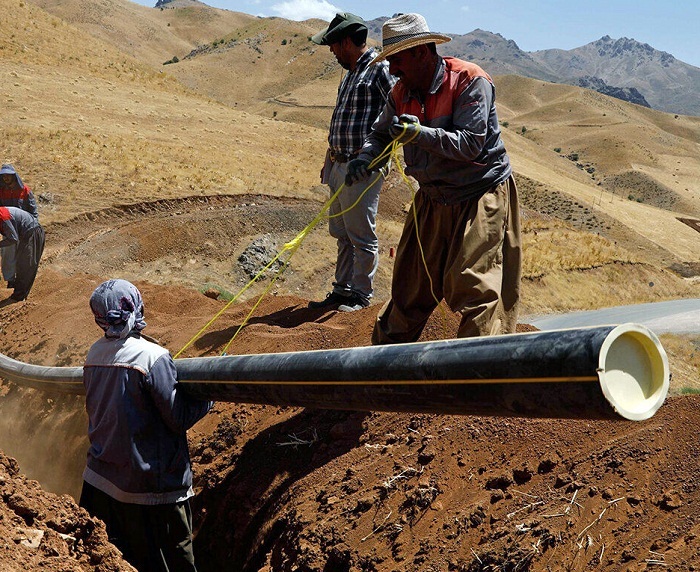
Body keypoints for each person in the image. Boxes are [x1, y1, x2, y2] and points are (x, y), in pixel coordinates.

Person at [346, 13, 521, 343]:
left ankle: (472, 380)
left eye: (397, 60)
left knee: (476, 289)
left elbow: (471, 144)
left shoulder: (470, 81)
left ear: (421, 53)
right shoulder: (400, 92)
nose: (393, 70)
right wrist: (366, 157)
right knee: (409, 289)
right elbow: (381, 134)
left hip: (479, 196)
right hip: (431, 197)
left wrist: (418, 134)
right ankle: (384, 376)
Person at [79, 279, 212, 572]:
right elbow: (178, 418)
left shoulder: (93, 355)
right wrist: (211, 395)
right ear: (134, 305)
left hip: (101, 481)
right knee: (174, 562)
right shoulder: (152, 357)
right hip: (151, 489)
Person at [308, 12, 396, 312]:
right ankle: (342, 289)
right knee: (342, 232)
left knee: (361, 234)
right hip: (338, 165)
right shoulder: (350, 74)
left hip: (363, 168)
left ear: (346, 41)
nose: (332, 51)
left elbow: (396, 116)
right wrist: (328, 159)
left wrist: (370, 159)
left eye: (333, 44)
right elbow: (341, 120)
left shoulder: (380, 70)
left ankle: (361, 295)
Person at [0, 164, 39, 289]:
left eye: (8, 175)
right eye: (3, 175)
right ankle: (10, 279)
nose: (6, 178)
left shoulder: (25, 191)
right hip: (8, 227)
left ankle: (23, 280)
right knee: (8, 252)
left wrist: (34, 228)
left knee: (25, 254)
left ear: (14, 176)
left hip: (25, 227)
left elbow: (33, 212)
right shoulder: (1, 191)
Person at [0, 206, 44, 301]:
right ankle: (18, 293)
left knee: (26, 265)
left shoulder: (3, 217)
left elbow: (13, 239)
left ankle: (19, 297)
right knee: (21, 263)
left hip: (33, 232)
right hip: (25, 234)